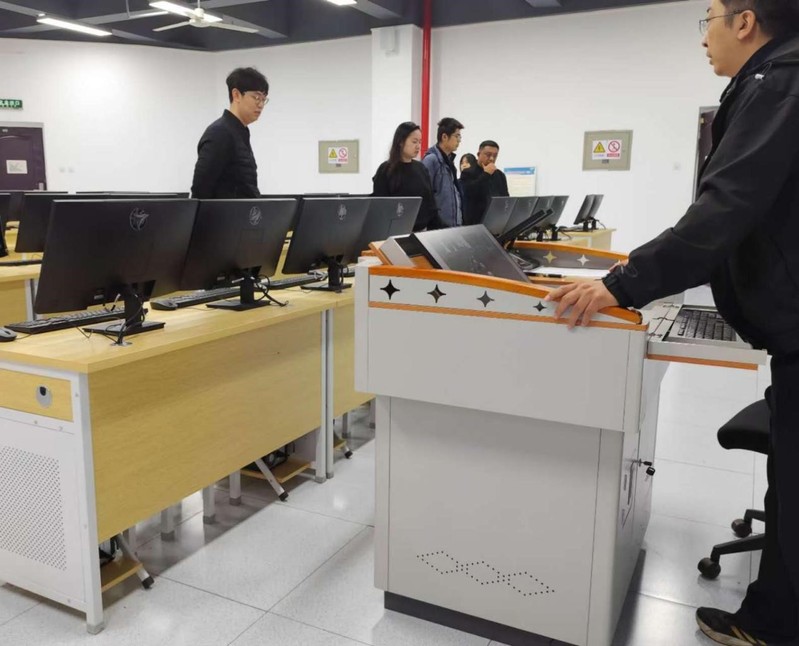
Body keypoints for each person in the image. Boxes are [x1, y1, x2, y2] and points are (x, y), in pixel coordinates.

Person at [548, 2, 799, 644]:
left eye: (708, 17)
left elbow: (723, 212)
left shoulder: (780, 83)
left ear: (745, 21)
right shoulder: (771, 81)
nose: (703, 36)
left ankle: (773, 626)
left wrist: (619, 285)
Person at [191, 67, 269, 199]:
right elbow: (200, 190)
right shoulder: (219, 133)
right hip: (226, 213)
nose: (261, 104)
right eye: (256, 97)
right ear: (236, 95)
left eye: (264, 99)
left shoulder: (240, 131)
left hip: (244, 212)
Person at [372, 122, 440, 231]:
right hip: (394, 232)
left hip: (421, 232)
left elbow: (430, 205)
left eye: (420, 142)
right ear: (401, 141)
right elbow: (379, 207)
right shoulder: (385, 170)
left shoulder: (421, 168)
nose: (418, 146)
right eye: (414, 142)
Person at [422, 117, 465, 228]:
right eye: (456, 136)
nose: (459, 140)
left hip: (452, 226)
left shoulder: (449, 161)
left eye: (460, 136)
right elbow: (426, 196)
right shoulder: (431, 160)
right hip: (437, 228)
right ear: (444, 137)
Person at [460, 140, 510, 226]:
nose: (491, 159)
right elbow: (469, 193)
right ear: (478, 154)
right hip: (475, 223)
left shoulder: (500, 175)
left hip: (495, 221)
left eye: (495, 156)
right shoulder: (468, 173)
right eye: (488, 155)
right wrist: (486, 174)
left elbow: (505, 198)